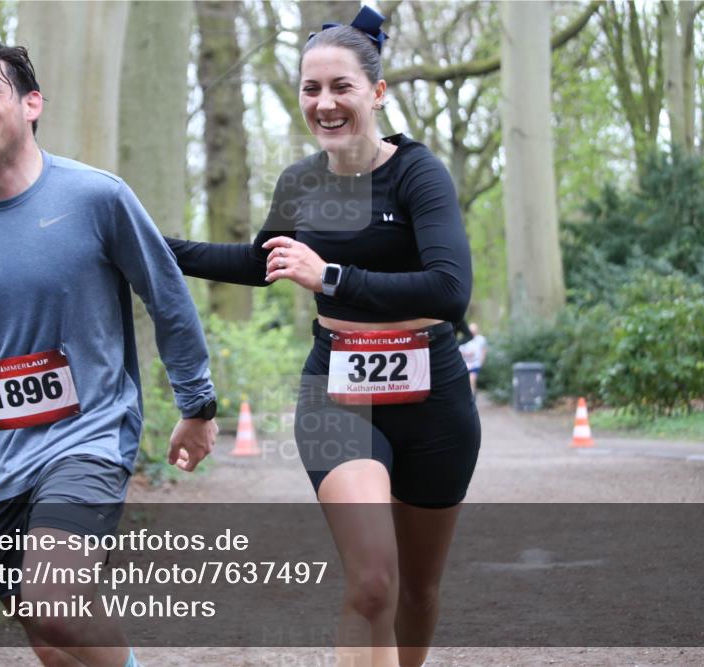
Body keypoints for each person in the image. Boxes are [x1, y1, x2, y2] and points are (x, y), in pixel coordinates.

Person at [0, 37, 219, 667]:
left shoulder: (97, 197)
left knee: (54, 601)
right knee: (49, 636)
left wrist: (197, 404)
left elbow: (167, 298)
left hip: (88, 436)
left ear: (31, 104)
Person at [165, 8, 480, 667]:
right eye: (312, 88)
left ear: (377, 91)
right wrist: (151, 246)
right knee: (373, 581)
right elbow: (261, 263)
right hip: (339, 395)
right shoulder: (302, 182)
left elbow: (450, 290)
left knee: (417, 589)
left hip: (435, 402)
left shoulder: (417, 174)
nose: (325, 103)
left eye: (341, 86)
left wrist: (332, 275)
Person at [459, 322, 487, 395]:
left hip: (475, 363)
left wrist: (481, 362)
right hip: (465, 363)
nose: (473, 332)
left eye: (474, 330)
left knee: (472, 379)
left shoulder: (481, 339)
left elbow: (484, 351)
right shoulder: (464, 339)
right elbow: (459, 351)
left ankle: (472, 396)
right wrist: (467, 354)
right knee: (465, 381)